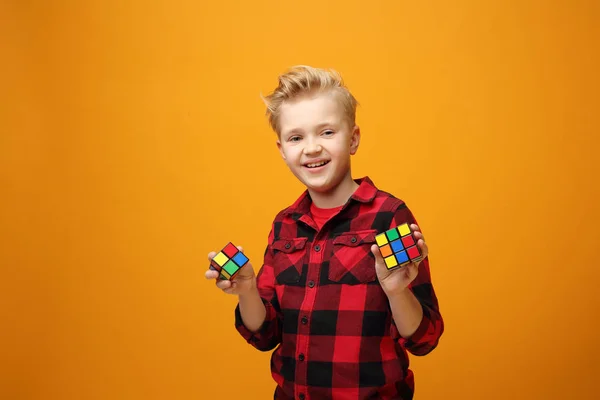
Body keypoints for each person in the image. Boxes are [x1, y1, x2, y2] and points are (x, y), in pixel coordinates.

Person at [205, 65, 444, 399]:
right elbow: (265, 334)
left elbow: (424, 339)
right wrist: (246, 290)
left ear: (353, 139)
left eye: (327, 132)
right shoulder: (284, 225)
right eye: (296, 137)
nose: (312, 148)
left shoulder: (388, 216)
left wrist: (396, 292)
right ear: (282, 150)